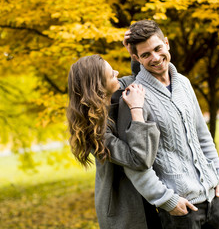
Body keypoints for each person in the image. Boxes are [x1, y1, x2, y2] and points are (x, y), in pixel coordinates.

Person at [117, 20, 219, 228]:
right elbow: (136, 163)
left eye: (158, 48)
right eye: (145, 55)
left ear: (167, 43)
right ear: (136, 58)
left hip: (214, 198)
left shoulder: (184, 83)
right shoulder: (134, 97)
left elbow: (202, 135)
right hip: (181, 210)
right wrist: (166, 200)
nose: (155, 58)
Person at [67, 54, 161, 229]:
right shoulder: (93, 131)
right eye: (111, 74)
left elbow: (138, 77)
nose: (117, 72)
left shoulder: (116, 94)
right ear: (99, 88)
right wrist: (136, 110)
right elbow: (138, 159)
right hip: (124, 209)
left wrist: (134, 54)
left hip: (150, 194)